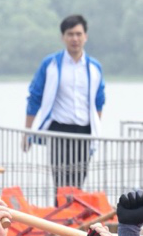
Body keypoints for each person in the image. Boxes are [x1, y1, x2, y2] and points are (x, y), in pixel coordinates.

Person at [26, 14, 105, 191]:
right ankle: (59, 216)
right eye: (70, 34)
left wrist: (96, 129)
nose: (75, 39)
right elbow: (35, 96)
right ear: (63, 37)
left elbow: (99, 101)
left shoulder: (94, 67)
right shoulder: (51, 64)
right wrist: (27, 131)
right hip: (59, 130)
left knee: (78, 180)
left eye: (78, 34)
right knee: (60, 181)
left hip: (84, 131)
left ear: (85, 36)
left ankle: (74, 217)